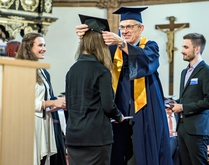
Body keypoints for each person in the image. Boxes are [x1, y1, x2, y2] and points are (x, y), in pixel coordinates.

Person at [76, 6, 172, 165]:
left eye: (129, 27)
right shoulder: (112, 49)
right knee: (118, 151)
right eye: (122, 27)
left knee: (144, 149)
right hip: (119, 107)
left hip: (145, 108)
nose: (125, 31)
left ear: (141, 28)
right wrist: (84, 38)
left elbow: (146, 62)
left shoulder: (150, 46)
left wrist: (121, 43)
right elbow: (94, 56)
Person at [65, 14, 124, 165]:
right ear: (101, 45)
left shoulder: (72, 70)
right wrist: (119, 116)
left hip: (74, 137)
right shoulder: (101, 71)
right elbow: (108, 105)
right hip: (96, 138)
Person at [15, 32, 66, 165]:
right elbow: (23, 103)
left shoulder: (42, 71)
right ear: (28, 48)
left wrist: (59, 103)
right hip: (31, 124)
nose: (44, 48)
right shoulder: (22, 70)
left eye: (44, 45)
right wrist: (52, 102)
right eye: (40, 45)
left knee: (44, 160)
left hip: (44, 121)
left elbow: (45, 97)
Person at [171, 33, 209, 165]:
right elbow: (186, 98)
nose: (181, 51)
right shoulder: (184, 72)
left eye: (185, 47)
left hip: (197, 130)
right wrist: (174, 104)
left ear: (197, 49)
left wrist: (183, 107)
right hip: (182, 128)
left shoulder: (208, 72)